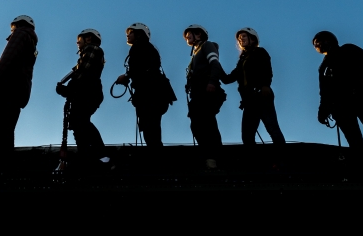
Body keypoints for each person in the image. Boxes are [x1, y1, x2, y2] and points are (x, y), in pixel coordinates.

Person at [0, 14, 38, 171]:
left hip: (7, 88)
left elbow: (6, 60)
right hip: (19, 91)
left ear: (18, 24)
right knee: (6, 128)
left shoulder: (21, 34)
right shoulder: (31, 42)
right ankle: (3, 166)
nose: (11, 30)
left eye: (12, 27)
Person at [221, 27, 286, 153]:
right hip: (249, 100)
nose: (241, 39)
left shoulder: (260, 52)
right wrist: (215, 66)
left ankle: (283, 160)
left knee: (272, 128)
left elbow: (267, 70)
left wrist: (265, 86)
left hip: (261, 96)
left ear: (252, 38)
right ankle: (254, 162)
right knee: (247, 134)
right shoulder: (242, 61)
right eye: (240, 38)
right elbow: (228, 78)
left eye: (244, 36)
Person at [113, 23, 175, 149]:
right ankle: (155, 156)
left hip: (151, 94)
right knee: (151, 128)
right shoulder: (146, 48)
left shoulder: (141, 47)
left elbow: (143, 68)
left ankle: (156, 159)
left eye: (131, 32)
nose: (128, 34)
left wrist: (127, 76)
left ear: (139, 34)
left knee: (150, 128)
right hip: (155, 93)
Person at [56, 28, 109, 167]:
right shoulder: (85, 55)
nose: (77, 42)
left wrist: (66, 89)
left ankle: (101, 155)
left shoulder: (93, 49)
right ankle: (87, 155)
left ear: (89, 38)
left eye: (79, 39)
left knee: (81, 120)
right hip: (85, 92)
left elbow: (83, 73)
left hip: (88, 92)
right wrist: (67, 90)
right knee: (77, 122)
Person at [183, 24, 226, 169]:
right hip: (197, 94)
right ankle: (208, 155)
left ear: (199, 35)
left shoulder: (207, 46)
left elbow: (215, 64)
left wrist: (212, 82)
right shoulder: (196, 53)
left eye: (191, 33)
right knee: (197, 125)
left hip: (206, 92)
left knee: (208, 124)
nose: (187, 36)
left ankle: (214, 157)